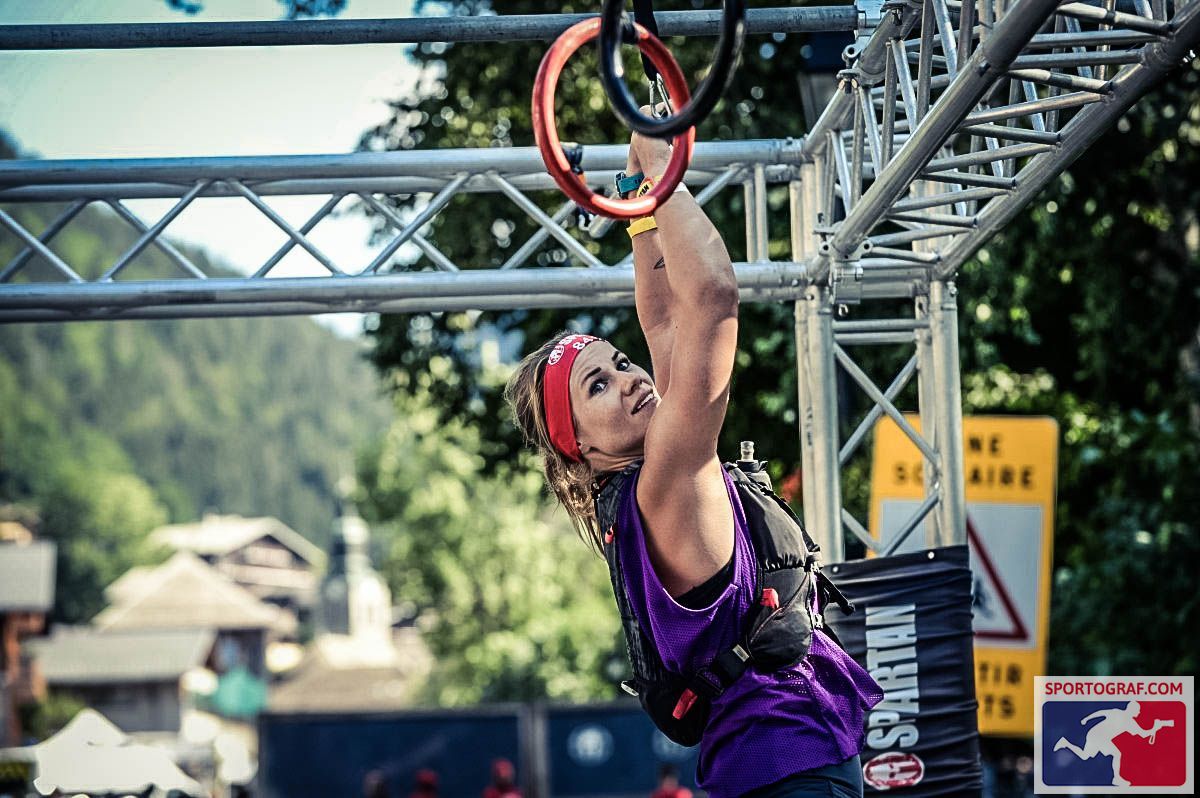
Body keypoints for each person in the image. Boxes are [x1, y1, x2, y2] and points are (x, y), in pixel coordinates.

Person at [505, 115, 883, 798]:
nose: (631, 379)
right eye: (599, 386)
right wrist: (660, 158)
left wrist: (642, 209)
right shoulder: (670, 477)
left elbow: (665, 321)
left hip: (779, 766)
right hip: (789, 772)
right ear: (580, 446)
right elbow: (710, 298)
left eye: (619, 364)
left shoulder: (648, 483)